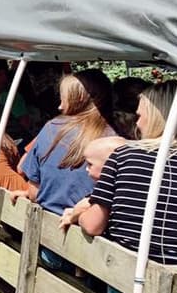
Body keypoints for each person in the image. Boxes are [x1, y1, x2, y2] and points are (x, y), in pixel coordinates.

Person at [69, 82, 177, 293]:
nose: (137, 122)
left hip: (131, 290)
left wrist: (79, 213)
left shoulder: (125, 156)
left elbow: (93, 225)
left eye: (140, 115)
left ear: (157, 118)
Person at [15, 69, 115, 271]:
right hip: (93, 252)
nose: (59, 106)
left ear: (77, 100)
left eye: (64, 99)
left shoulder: (52, 127)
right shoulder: (113, 139)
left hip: (50, 241)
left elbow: (34, 193)